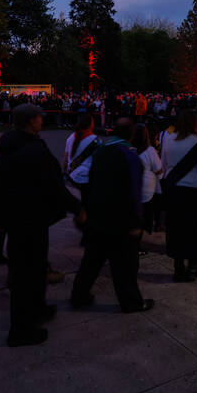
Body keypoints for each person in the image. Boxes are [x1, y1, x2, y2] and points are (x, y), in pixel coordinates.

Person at [0, 103, 84, 347]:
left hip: (23, 218)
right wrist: (78, 208)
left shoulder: (12, 145)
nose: (42, 121)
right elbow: (54, 185)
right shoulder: (33, 149)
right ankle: (21, 330)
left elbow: (0, 183)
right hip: (28, 219)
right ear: (31, 121)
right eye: (39, 118)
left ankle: (38, 310)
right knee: (26, 275)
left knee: (34, 270)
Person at [70, 118, 154, 313]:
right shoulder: (130, 156)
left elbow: (91, 183)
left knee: (91, 261)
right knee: (125, 265)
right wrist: (135, 221)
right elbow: (133, 191)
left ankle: (79, 295)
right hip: (120, 220)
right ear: (131, 135)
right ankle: (131, 302)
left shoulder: (100, 152)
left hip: (98, 216)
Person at [160, 110, 197, 282]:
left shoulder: (168, 140)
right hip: (193, 193)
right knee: (194, 230)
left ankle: (178, 268)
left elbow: (164, 165)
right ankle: (192, 264)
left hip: (174, 191)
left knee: (176, 229)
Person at [131, 123, 162, 234]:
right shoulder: (150, 151)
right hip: (146, 189)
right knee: (145, 213)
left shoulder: (130, 148)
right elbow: (159, 170)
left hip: (132, 186)